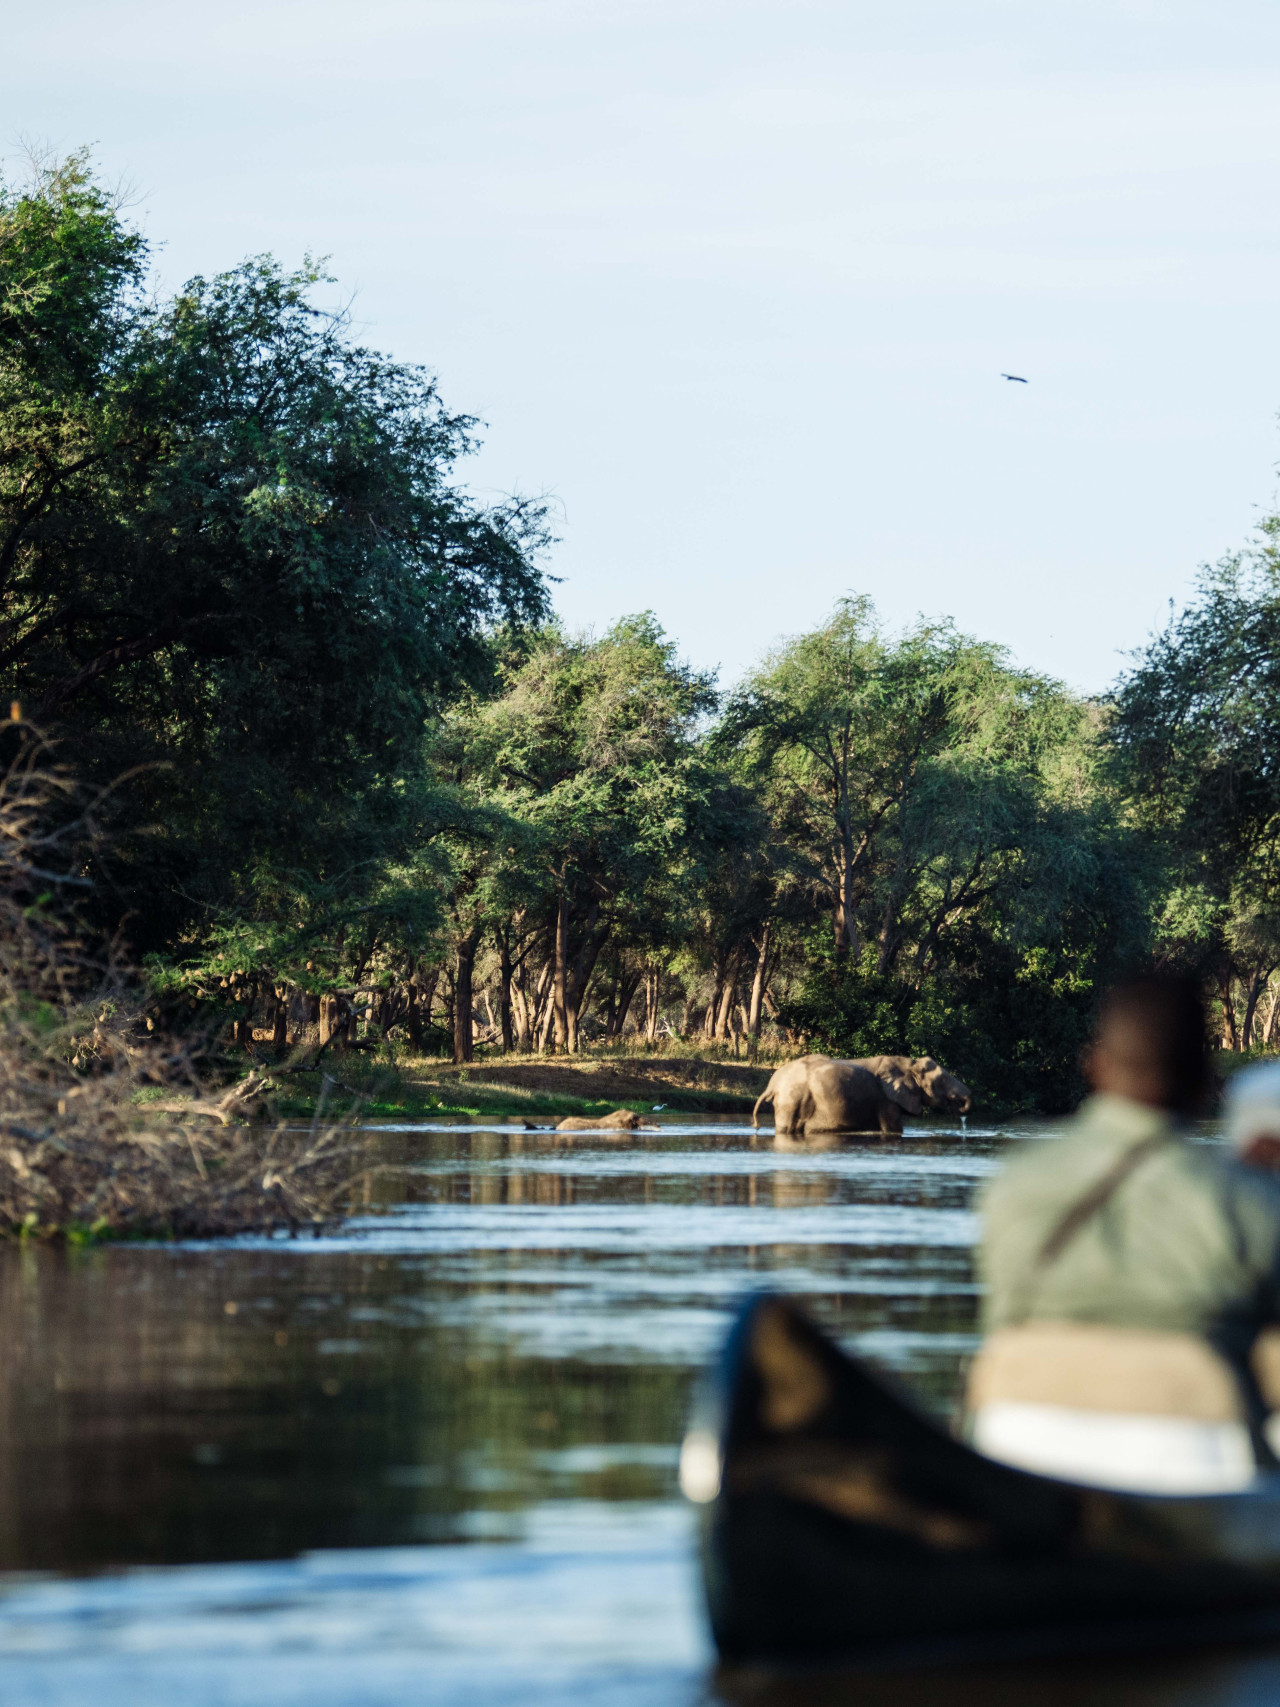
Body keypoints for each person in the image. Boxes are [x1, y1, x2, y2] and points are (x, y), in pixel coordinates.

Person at [972, 974, 1280, 1490]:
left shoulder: (1014, 1182)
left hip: (1014, 1439)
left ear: (1094, 1067)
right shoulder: (1251, 1200)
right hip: (1197, 1460)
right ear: (1206, 1081)